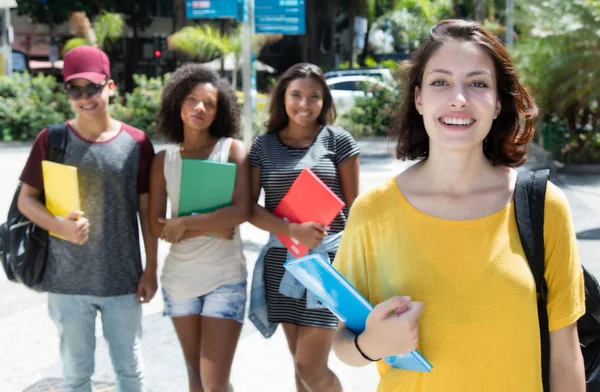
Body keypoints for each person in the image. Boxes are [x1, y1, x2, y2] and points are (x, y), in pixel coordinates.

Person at [332, 19, 586, 392]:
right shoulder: (374, 211)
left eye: (478, 83)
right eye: (440, 82)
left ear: (499, 102)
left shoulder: (544, 206)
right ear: (419, 98)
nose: (459, 98)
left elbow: (566, 355)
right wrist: (370, 345)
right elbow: (343, 345)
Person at [17, 46, 157, 392]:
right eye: (74, 89)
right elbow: (26, 200)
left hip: (122, 279)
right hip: (66, 282)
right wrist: (59, 226)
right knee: (76, 376)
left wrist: (151, 269)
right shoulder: (52, 139)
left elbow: (147, 213)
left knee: (130, 373)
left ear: (111, 87)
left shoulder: (137, 143)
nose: (84, 98)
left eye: (92, 87)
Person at [248, 63, 360, 392]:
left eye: (314, 97)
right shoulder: (263, 145)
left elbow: (357, 208)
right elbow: (250, 209)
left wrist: (358, 263)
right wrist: (293, 231)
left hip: (327, 265)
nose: (304, 104)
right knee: (299, 367)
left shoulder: (339, 141)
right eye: (296, 95)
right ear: (282, 97)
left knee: (310, 368)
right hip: (283, 263)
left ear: (324, 101)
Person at [148, 64, 250, 392]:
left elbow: (241, 210)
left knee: (214, 381)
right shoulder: (163, 160)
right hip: (179, 280)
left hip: (225, 278)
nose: (200, 108)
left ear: (219, 112)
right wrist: (211, 227)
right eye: (192, 100)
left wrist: (186, 224)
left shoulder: (232, 151)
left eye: (209, 103)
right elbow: (155, 224)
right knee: (195, 378)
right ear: (177, 104)